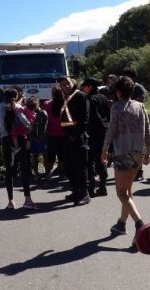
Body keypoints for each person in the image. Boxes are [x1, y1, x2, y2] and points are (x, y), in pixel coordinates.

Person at [101, 76, 150, 246]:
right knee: (128, 191)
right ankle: (121, 224)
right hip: (138, 152)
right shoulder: (140, 106)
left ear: (118, 91)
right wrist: (148, 152)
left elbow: (111, 129)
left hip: (122, 152)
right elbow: (148, 130)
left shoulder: (116, 106)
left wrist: (104, 150)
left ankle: (140, 224)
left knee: (121, 194)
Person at [0, 88, 36, 209]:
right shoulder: (18, 107)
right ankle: (27, 199)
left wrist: (2, 130)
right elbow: (26, 122)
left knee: (9, 169)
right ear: (16, 97)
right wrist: (30, 129)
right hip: (20, 139)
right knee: (24, 168)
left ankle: (11, 201)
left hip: (6, 140)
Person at [60, 76, 90, 206]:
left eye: (68, 83)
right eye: (63, 84)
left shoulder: (80, 96)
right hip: (67, 136)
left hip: (79, 137)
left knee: (80, 166)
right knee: (69, 166)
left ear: (73, 83)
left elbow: (84, 119)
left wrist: (76, 133)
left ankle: (85, 193)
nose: (66, 86)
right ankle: (75, 191)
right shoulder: (64, 98)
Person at [82, 77, 109, 197]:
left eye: (84, 86)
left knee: (90, 161)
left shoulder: (89, 99)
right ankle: (103, 187)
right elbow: (108, 114)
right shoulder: (103, 97)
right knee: (102, 159)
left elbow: (90, 117)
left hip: (92, 132)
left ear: (90, 87)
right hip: (103, 132)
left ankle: (91, 188)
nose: (83, 88)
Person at [121, 68, 148, 181]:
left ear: (133, 78)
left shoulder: (138, 88)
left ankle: (139, 171)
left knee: (137, 147)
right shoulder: (122, 87)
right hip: (124, 121)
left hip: (136, 121)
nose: (125, 79)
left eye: (127, 76)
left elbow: (140, 102)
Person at [42, 84, 66, 179]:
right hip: (63, 134)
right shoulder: (66, 104)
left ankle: (48, 173)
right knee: (62, 156)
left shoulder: (46, 104)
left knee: (50, 155)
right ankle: (62, 174)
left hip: (50, 134)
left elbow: (43, 120)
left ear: (52, 94)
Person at [26, 96, 48, 177]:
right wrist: (34, 137)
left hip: (43, 138)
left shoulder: (43, 113)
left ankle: (47, 172)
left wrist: (40, 137)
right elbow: (28, 127)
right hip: (33, 139)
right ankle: (36, 174)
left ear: (37, 104)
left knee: (45, 155)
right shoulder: (29, 113)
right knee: (35, 156)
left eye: (33, 105)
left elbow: (45, 127)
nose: (32, 107)